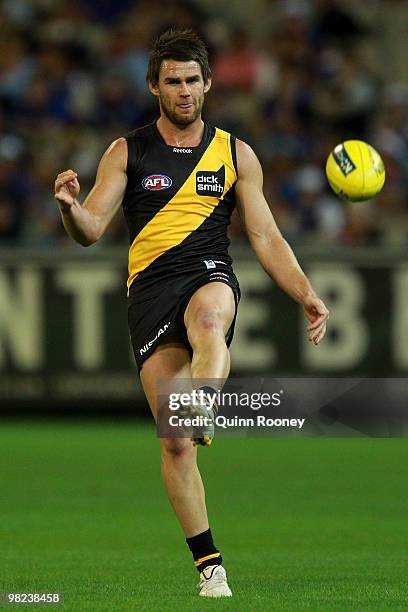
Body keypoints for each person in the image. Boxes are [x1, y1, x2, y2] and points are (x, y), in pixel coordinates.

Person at [54, 28, 329, 599]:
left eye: (193, 81)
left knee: (210, 323)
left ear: (208, 83)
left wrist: (304, 290)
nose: (184, 91)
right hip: (150, 291)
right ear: (154, 85)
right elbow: (91, 230)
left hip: (209, 272)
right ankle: (210, 567)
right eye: (173, 81)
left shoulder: (235, 153)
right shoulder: (127, 151)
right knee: (174, 443)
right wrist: (70, 209)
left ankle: (203, 399)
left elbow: (265, 234)